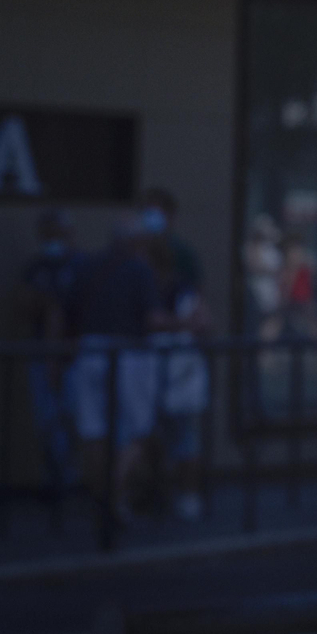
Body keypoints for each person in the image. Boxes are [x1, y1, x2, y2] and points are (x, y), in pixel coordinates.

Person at [70, 213, 163, 520]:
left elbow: (66, 311)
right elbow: (153, 319)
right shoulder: (139, 268)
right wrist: (187, 323)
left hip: (88, 351)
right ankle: (112, 496)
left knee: (93, 431)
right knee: (139, 430)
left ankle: (103, 500)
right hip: (128, 353)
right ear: (137, 241)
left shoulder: (86, 265)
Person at [140, 189, 210, 521]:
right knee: (151, 434)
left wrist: (177, 324)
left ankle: (187, 495)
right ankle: (159, 494)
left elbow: (201, 315)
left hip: (179, 364)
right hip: (149, 363)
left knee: (183, 435)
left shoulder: (184, 265)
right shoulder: (138, 258)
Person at [14, 208, 89, 489]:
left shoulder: (82, 265)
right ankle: (55, 477)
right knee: (46, 419)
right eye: (47, 235)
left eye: (58, 234)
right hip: (41, 352)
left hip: (75, 354)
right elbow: (23, 306)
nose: (53, 240)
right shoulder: (36, 267)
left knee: (74, 415)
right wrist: (42, 303)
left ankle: (76, 475)